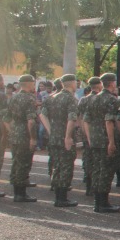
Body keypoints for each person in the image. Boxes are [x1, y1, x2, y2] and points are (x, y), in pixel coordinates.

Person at [83, 73, 120, 213]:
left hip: (95, 140)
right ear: (112, 83)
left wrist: (90, 138)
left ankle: (97, 202)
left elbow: (85, 120)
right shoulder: (112, 100)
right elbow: (109, 121)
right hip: (106, 139)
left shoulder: (92, 99)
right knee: (106, 171)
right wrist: (112, 142)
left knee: (97, 170)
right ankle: (103, 203)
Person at [40, 74, 81, 207]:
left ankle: (58, 196)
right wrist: (68, 137)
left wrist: (50, 130)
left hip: (54, 137)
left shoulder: (51, 98)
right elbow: (72, 119)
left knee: (57, 166)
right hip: (64, 137)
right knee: (66, 167)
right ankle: (62, 198)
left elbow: (42, 115)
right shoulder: (71, 99)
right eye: (76, 82)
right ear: (72, 83)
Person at [6, 74, 40, 203]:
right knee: (24, 164)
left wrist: (12, 131)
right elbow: (31, 121)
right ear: (30, 84)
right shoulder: (29, 99)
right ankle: (20, 194)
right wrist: (33, 138)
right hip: (24, 134)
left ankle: (17, 191)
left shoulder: (13, 98)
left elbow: (6, 118)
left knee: (16, 162)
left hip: (15, 133)